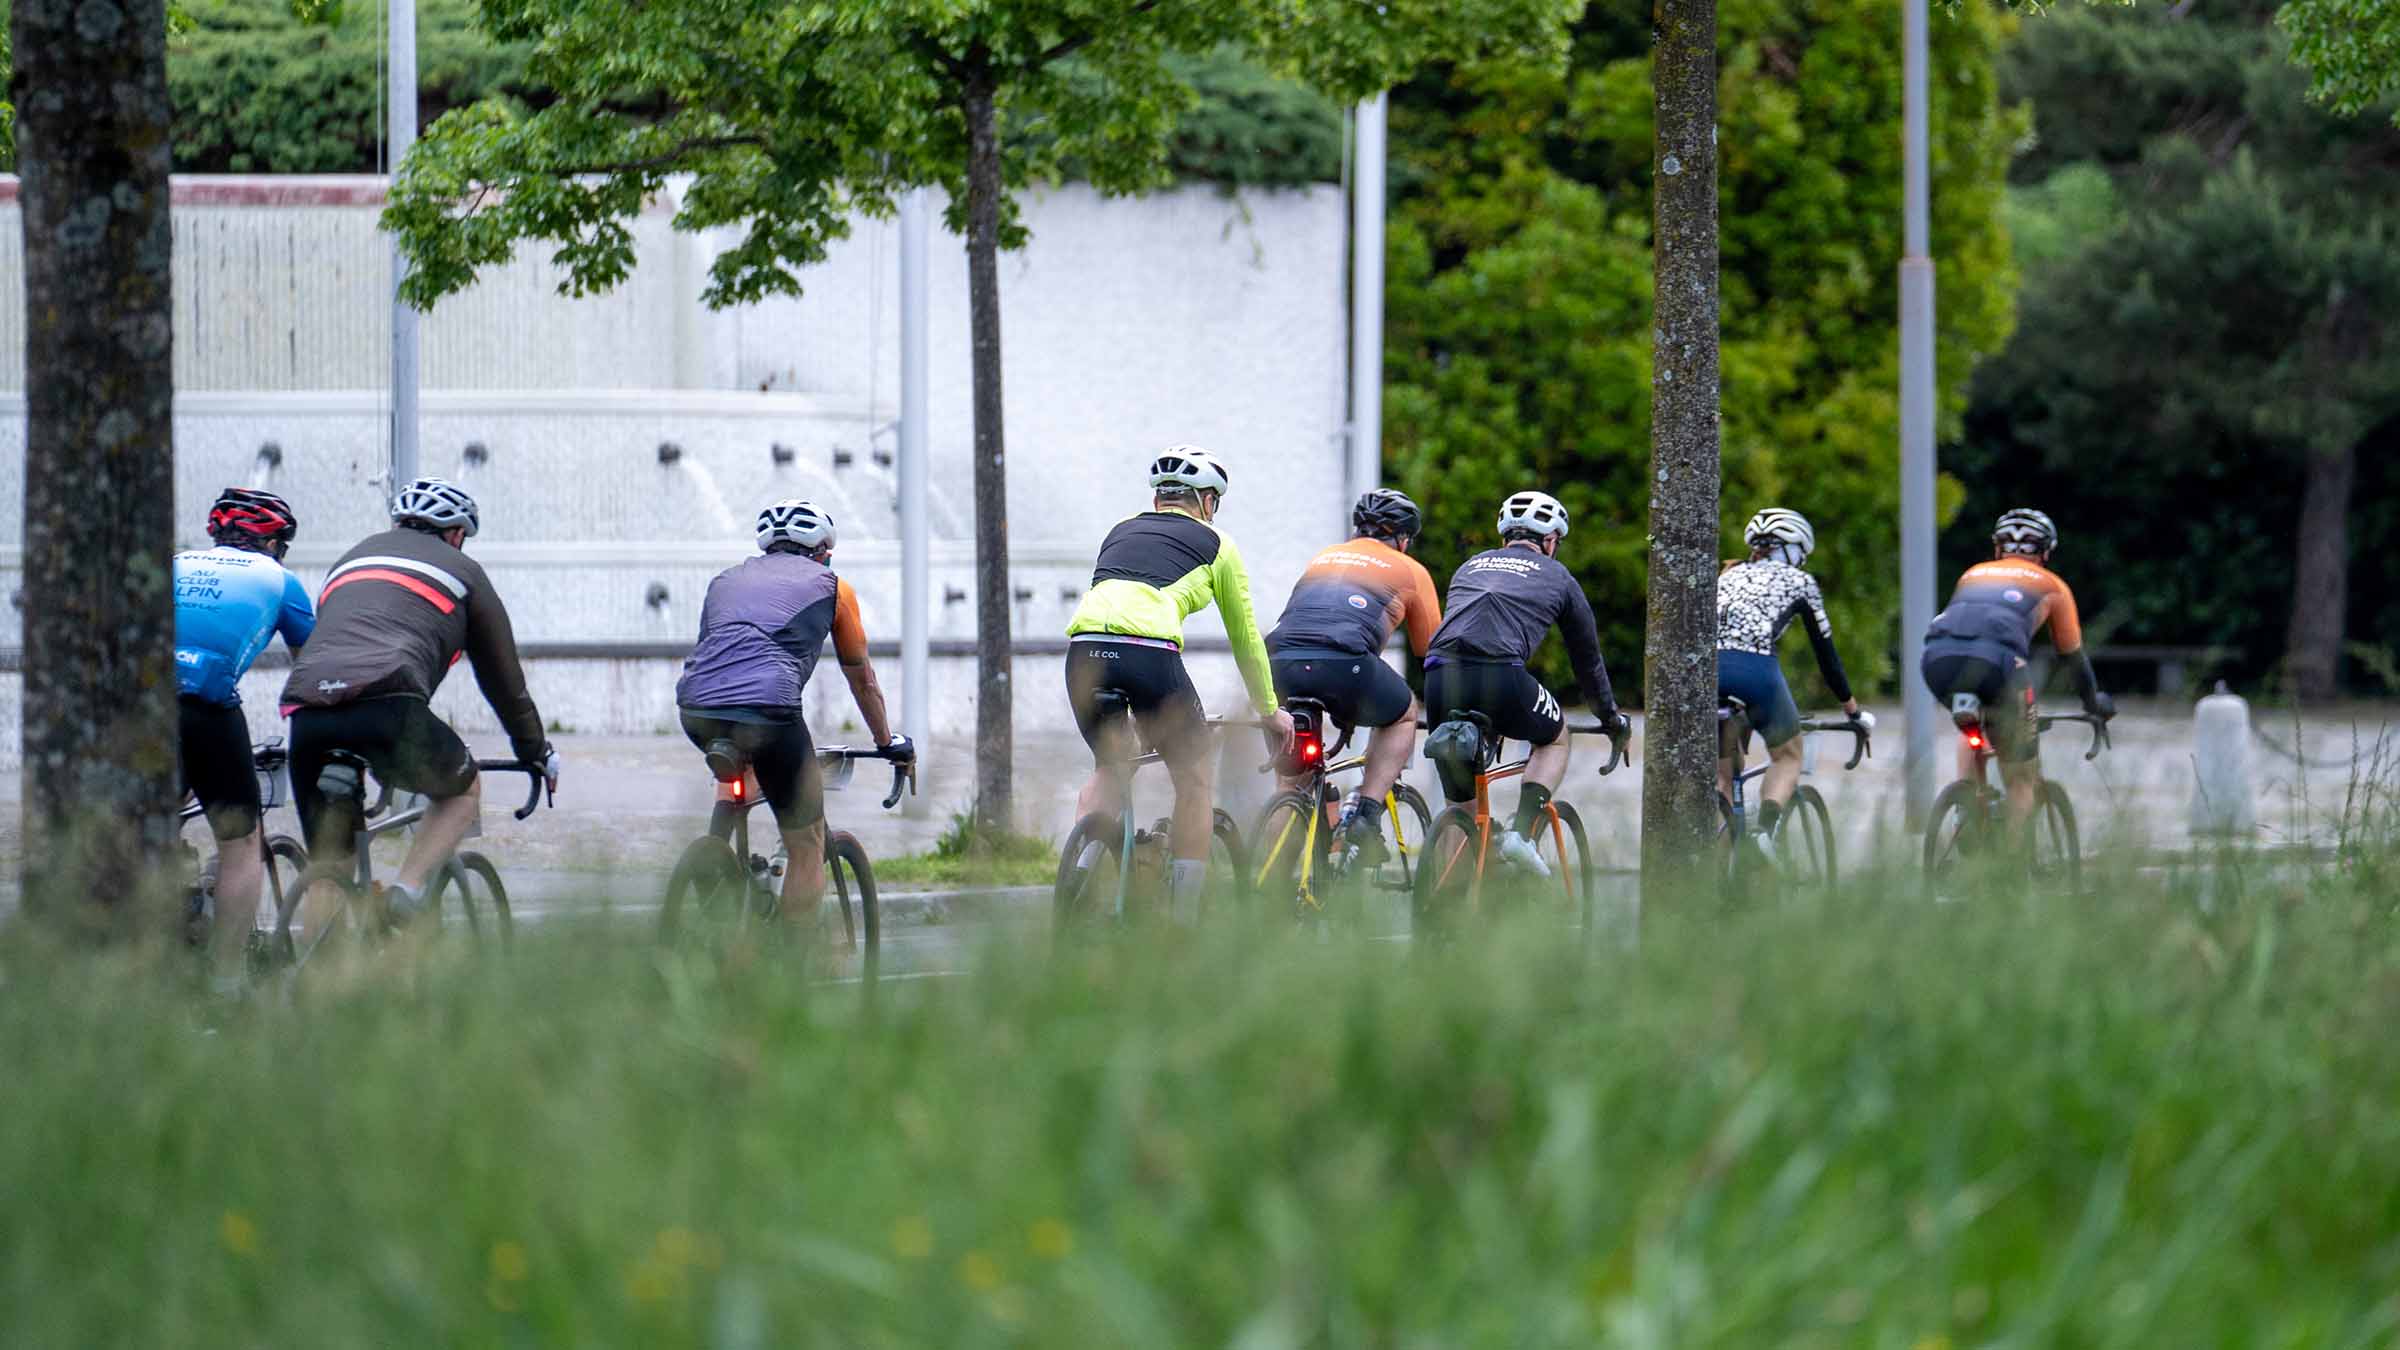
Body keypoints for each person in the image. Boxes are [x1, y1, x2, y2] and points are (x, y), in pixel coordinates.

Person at [282, 477, 558, 920]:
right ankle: (405, 894)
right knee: (461, 790)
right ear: (456, 534)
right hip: (387, 704)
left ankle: (314, 982)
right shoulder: (464, 572)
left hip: (308, 710)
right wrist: (534, 750)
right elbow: (503, 679)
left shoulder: (350, 559)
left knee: (330, 867)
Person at [1064, 446, 1294, 919]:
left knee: (1110, 768)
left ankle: (1076, 889)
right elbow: (1246, 639)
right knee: (1193, 779)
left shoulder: (1119, 530)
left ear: (1158, 499)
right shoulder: (1219, 546)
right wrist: (1269, 708)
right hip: (1148, 653)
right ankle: (1184, 919)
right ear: (1207, 503)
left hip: (1084, 652)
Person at [675, 499, 911, 922]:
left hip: (696, 708)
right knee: (808, 844)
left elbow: (713, 655)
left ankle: (716, 894)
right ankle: (787, 974)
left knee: (736, 776)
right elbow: (861, 677)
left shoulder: (723, 582)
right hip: (771, 712)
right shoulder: (834, 587)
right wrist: (886, 741)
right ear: (823, 551)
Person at [1421, 491, 1629, 877]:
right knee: (1555, 736)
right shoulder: (1558, 576)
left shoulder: (1470, 565)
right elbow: (1587, 659)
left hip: (1438, 676)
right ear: (1550, 542)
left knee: (1460, 812)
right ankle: (1521, 835)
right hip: (1501, 676)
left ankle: (1443, 924)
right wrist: (1611, 718)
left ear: (1504, 538)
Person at [174, 488, 315, 977]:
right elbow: (313, 670)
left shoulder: (175, 563)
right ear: (274, 543)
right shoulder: (280, 580)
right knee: (240, 846)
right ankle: (224, 986)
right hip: (207, 707)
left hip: (142, 704)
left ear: (216, 534)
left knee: (142, 827)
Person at [1264, 488, 1441, 861]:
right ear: (1404, 538)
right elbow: (1430, 651)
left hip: (1278, 660)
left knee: (1291, 785)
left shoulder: (1323, 558)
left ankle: (1268, 888)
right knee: (1404, 711)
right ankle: (1366, 813)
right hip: (1345, 661)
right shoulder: (1410, 570)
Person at [1921, 507, 2115, 841]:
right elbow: (2073, 656)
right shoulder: (2053, 586)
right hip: (1998, 664)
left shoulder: (1973, 574)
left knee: (1973, 730)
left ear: (1998, 548)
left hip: (1937, 659)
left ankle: (1967, 813)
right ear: (2046, 552)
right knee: (2021, 779)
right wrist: (2092, 703)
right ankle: (2008, 874)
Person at [1714, 508, 1869, 861]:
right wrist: (1852, 710)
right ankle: (1763, 835)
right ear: (1795, 551)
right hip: (1755, 671)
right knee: (1787, 756)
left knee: (1723, 780)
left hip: (1706, 675)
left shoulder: (1726, 575)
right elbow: (1826, 655)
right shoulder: (1800, 582)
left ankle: (1714, 882)